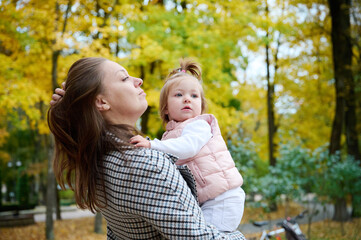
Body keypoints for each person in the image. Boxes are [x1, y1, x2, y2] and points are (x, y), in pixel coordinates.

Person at [48, 57, 246, 239]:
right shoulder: (148, 164)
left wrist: (72, 111)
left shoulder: (99, 161)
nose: (139, 80)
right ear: (101, 102)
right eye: (124, 78)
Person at [130, 59, 245, 232]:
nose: (187, 100)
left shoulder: (199, 125)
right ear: (165, 108)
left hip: (223, 199)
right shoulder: (170, 135)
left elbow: (187, 148)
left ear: (201, 105)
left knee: (199, 235)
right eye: (178, 95)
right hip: (209, 199)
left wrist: (151, 145)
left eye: (194, 96)